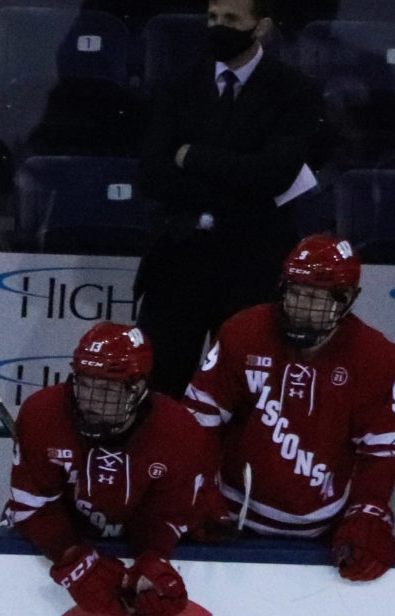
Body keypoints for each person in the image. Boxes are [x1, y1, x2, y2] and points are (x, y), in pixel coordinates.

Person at [183, 233, 395, 579]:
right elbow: (200, 420)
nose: (301, 307)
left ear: (346, 299)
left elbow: (380, 452)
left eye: (316, 298)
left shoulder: (376, 357)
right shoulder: (244, 332)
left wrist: (367, 512)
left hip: (324, 530)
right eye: (295, 293)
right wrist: (200, 487)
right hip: (231, 520)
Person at [133, 0, 325, 398]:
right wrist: (239, 181)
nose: (218, 27)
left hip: (252, 266)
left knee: (242, 395)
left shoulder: (294, 91)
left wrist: (192, 156)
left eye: (232, 19)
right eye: (213, 18)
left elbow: (274, 175)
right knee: (158, 393)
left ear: (261, 26)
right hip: (177, 262)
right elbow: (151, 175)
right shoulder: (179, 83)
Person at [4, 322, 213, 616]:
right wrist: (71, 557)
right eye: (85, 384)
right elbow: (30, 507)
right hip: (45, 546)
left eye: (105, 389)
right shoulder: (43, 414)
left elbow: (166, 518)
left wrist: (151, 564)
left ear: (139, 387)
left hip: (124, 540)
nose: (89, 401)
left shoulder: (178, 432)